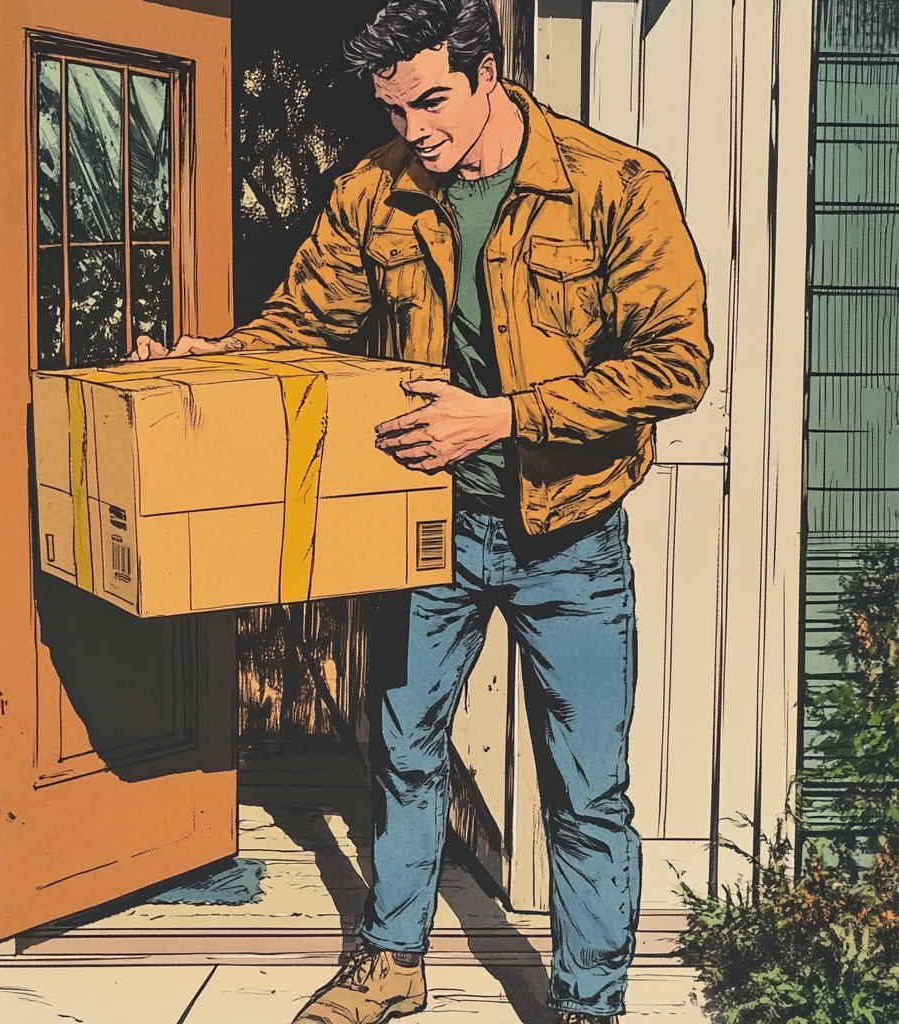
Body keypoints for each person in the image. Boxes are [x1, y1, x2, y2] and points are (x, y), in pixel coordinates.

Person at [133, 2, 711, 1020]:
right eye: (393, 108)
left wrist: (499, 417)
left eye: (431, 100)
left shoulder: (617, 185)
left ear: (490, 72)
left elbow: (673, 365)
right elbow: (301, 321)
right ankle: (390, 965)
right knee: (404, 752)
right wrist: (208, 362)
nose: (414, 129)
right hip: (425, 526)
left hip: (569, 533)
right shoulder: (375, 189)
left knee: (585, 790)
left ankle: (587, 1002)